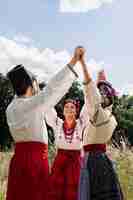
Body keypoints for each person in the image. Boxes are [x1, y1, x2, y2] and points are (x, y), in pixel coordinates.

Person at [5, 47, 82, 200]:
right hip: (35, 161)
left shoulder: (10, 108)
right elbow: (52, 89)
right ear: (30, 85)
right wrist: (73, 61)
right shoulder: (32, 105)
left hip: (18, 160)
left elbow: (23, 98)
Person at [78, 50, 124, 200]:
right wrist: (102, 83)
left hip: (91, 161)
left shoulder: (96, 113)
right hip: (104, 160)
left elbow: (88, 88)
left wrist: (83, 63)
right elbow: (104, 101)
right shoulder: (111, 118)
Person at [46, 93, 89, 200]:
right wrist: (42, 94)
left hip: (76, 163)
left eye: (72, 107)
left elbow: (88, 105)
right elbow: (47, 108)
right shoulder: (57, 123)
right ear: (63, 110)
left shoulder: (81, 123)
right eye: (66, 107)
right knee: (56, 193)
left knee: (74, 194)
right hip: (60, 163)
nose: (69, 109)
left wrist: (90, 89)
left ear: (76, 111)